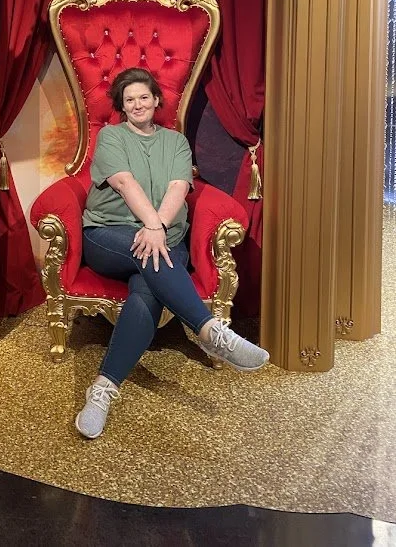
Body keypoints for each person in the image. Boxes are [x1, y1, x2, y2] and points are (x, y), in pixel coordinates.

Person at [76, 67, 269, 439]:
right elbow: (123, 182)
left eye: (143, 97)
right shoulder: (111, 136)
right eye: (129, 99)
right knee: (148, 255)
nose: (137, 104)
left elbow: (179, 187)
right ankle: (211, 331)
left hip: (165, 239)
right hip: (109, 235)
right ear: (121, 105)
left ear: (156, 100)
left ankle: (102, 390)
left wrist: (158, 228)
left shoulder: (176, 142)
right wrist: (151, 225)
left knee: (146, 293)